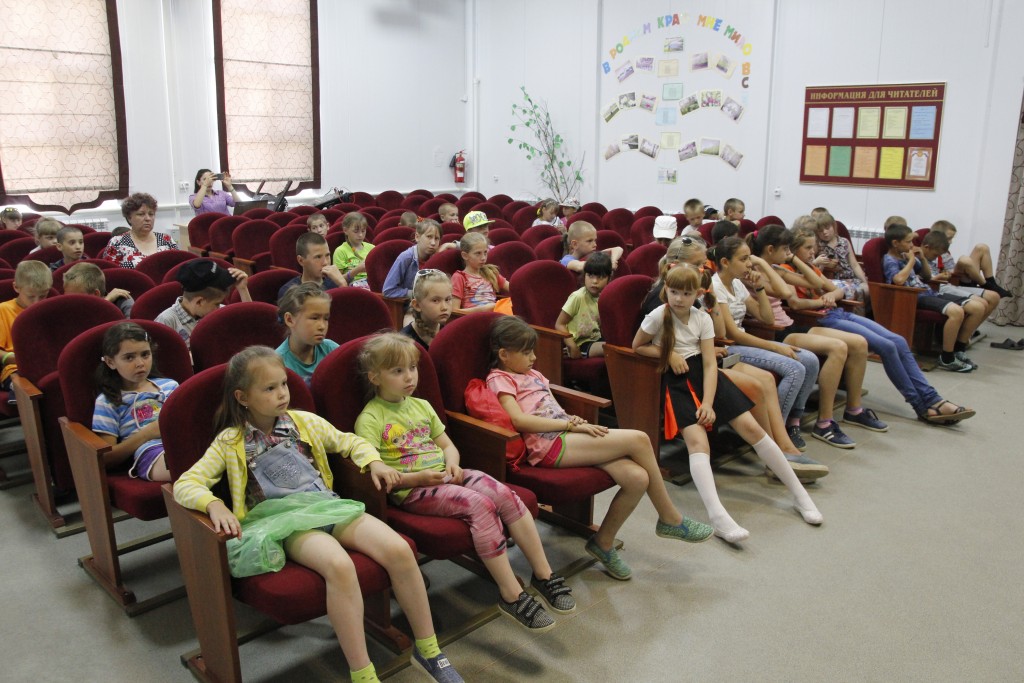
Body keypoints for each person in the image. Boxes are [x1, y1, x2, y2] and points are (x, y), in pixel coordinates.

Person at [174, 346, 461, 682]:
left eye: (284, 384)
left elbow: (350, 442)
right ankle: (363, 674)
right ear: (243, 397)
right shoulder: (230, 440)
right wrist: (214, 504)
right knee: (339, 565)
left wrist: (374, 462)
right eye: (270, 388)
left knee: (399, 549)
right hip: (285, 520)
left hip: (326, 504)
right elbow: (186, 483)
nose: (282, 393)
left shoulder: (304, 421)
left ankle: (429, 651)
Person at [356, 332, 573, 630]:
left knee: (503, 493)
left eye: (413, 368)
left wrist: (453, 462)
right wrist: (418, 477)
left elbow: (447, 445)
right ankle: (512, 594)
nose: (409, 377)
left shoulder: (421, 406)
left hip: (445, 475)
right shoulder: (370, 418)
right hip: (414, 489)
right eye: (397, 371)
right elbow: (377, 474)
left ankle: (544, 574)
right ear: (375, 377)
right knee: (479, 504)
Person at [487, 316, 713, 579]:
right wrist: (569, 426)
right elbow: (519, 420)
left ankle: (603, 543)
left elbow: (549, 405)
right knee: (639, 439)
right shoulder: (500, 378)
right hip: (548, 445)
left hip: (567, 434)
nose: (534, 357)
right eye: (526, 353)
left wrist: (574, 421)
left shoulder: (532, 374)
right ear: (504, 354)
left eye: (533, 351)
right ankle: (669, 517)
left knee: (637, 478)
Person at [632, 265, 823, 542]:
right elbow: (638, 345)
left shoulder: (702, 318)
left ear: (697, 294)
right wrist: (668, 353)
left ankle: (799, 495)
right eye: (673, 292)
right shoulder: (658, 315)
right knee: (698, 443)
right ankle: (718, 516)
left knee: (753, 429)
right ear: (666, 291)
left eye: (686, 293)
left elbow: (710, 364)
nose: (679, 299)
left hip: (707, 377)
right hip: (678, 381)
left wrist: (709, 403)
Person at [644, 238, 828, 479]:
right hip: (685, 370)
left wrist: (709, 297)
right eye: (698, 264)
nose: (704, 270)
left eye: (704, 265)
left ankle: (781, 449)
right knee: (756, 385)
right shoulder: (664, 297)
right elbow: (647, 343)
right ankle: (776, 454)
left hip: (709, 356)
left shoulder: (695, 291)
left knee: (766, 380)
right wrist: (673, 354)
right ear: (676, 264)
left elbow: (718, 332)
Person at [786, 227, 975, 425]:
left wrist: (832, 295)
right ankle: (923, 406)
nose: (813, 252)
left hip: (836, 312)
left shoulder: (811, 268)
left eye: (813, 247)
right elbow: (795, 304)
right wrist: (822, 301)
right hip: (820, 319)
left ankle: (932, 398)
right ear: (794, 250)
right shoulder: (787, 270)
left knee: (898, 340)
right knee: (887, 346)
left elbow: (836, 290)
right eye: (808, 248)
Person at [749, 225, 885, 448]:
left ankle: (854, 409)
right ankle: (824, 423)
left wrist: (793, 258)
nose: (788, 253)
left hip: (790, 326)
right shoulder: (752, 273)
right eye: (785, 249)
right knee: (838, 348)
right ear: (770, 249)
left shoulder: (776, 268)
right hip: (774, 332)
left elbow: (816, 282)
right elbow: (785, 293)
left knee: (859, 343)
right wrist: (764, 264)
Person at [709, 237, 820, 451]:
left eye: (748, 259)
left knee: (810, 360)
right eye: (743, 259)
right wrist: (774, 346)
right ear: (725, 262)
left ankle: (792, 422)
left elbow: (767, 319)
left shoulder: (737, 283)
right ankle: (776, 436)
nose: (749, 264)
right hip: (730, 347)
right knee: (794, 368)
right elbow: (732, 333)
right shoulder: (716, 286)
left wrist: (759, 288)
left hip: (745, 342)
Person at [883, 223, 985, 372]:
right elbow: (898, 280)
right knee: (956, 312)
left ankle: (958, 350)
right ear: (895, 243)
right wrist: (911, 261)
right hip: (913, 296)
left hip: (928, 291)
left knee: (978, 308)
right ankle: (947, 358)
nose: (912, 245)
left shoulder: (905, 256)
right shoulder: (890, 260)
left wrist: (922, 259)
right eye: (908, 242)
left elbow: (926, 276)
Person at [92, 323, 177, 481]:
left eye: (145, 355)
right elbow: (106, 458)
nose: (140, 363)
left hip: (180, 442)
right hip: (150, 452)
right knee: (183, 466)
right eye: (129, 357)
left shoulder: (170, 386)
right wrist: (147, 434)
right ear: (110, 362)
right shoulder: (108, 401)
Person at [155, 258, 250, 349]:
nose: (219, 307)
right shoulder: (166, 322)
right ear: (199, 302)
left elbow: (249, 329)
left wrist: (243, 289)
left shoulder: (216, 311)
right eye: (216, 304)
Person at [0, 261, 52, 393]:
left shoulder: (50, 309)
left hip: (47, 365)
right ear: (16, 287)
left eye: (43, 296)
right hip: (15, 368)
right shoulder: (3, 310)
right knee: (26, 388)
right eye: (31, 297)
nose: (36, 302)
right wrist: (16, 358)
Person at [926, 220, 1010, 300]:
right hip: (954, 281)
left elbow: (951, 267)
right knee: (964, 260)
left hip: (962, 277)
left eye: (952, 238)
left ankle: (992, 283)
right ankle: (986, 285)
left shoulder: (946, 253)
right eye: (949, 238)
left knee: (982, 247)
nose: (951, 242)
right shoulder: (931, 252)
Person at [275, 284, 338, 385]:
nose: (322, 326)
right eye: (314, 318)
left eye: (326, 319)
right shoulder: (277, 363)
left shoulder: (331, 349)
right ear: (289, 319)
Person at [555, 251, 611, 359]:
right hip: (581, 343)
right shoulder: (578, 297)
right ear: (584, 275)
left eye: (600, 277)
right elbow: (559, 324)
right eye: (590, 276)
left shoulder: (604, 297)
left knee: (618, 345)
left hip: (596, 338)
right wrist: (572, 346)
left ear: (608, 279)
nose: (595, 281)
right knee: (610, 349)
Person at [101, 193, 178, 269]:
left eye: (151, 214)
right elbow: (110, 273)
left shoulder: (167, 240)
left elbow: (178, 269)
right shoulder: (117, 243)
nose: (148, 218)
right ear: (129, 218)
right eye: (141, 214)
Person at [813, 212, 869, 305]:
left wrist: (864, 281)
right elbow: (815, 270)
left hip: (851, 279)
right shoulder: (818, 245)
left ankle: (858, 308)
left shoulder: (844, 241)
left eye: (827, 228)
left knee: (866, 288)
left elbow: (854, 264)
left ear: (834, 226)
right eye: (820, 231)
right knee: (849, 290)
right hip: (833, 281)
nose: (825, 232)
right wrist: (822, 264)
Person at [278, 232, 347, 302]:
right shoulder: (288, 292)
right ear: (301, 260)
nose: (325, 262)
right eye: (318, 257)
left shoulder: (336, 282)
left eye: (327, 255)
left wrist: (342, 284)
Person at [382, 219, 441, 299]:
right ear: (417, 237)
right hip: (410, 303)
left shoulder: (437, 258)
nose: (433, 243)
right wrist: (417, 294)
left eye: (436, 238)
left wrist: (451, 245)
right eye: (429, 237)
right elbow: (388, 291)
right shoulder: (406, 257)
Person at [451, 232, 507, 312]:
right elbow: (454, 311)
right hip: (475, 318)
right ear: (465, 255)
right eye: (478, 253)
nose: (483, 258)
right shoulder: (459, 277)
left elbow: (514, 288)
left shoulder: (490, 272)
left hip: (496, 314)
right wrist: (483, 309)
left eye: (485, 252)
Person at [400, 269, 451, 349]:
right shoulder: (404, 342)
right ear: (417, 305)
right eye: (435, 300)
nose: (444, 307)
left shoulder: (449, 334)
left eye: (447, 299)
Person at [62, 262, 134, 317]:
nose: (70, 302)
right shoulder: (65, 309)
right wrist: (106, 301)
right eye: (67, 297)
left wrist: (104, 304)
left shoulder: (123, 301)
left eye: (76, 298)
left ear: (96, 294)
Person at [332, 212, 374, 289]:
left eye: (363, 231)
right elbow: (337, 281)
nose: (360, 235)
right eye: (356, 231)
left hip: (373, 283)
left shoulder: (372, 248)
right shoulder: (340, 251)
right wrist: (357, 270)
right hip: (353, 287)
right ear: (345, 230)